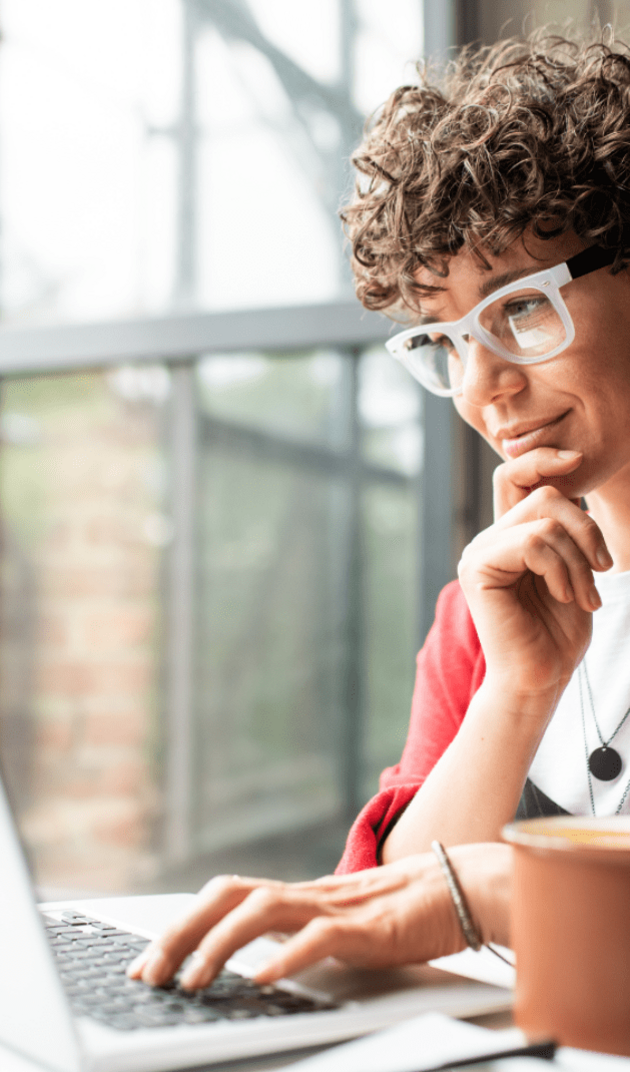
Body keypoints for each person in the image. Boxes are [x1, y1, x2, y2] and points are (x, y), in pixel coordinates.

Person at [129, 29, 630, 988]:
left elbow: (450, 901)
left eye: (522, 309)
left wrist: (497, 891)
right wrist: (515, 693)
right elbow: (398, 918)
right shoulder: (486, 617)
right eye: (446, 339)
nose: (486, 390)